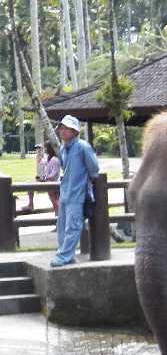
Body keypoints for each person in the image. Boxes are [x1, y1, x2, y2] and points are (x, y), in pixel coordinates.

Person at [50, 114, 99, 267]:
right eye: (61, 128)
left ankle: (64, 256)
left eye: (67, 129)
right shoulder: (63, 148)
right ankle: (66, 253)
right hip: (65, 192)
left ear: (75, 132)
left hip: (77, 193)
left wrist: (87, 183)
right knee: (62, 226)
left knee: (73, 226)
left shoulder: (83, 147)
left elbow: (94, 169)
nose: (63, 132)